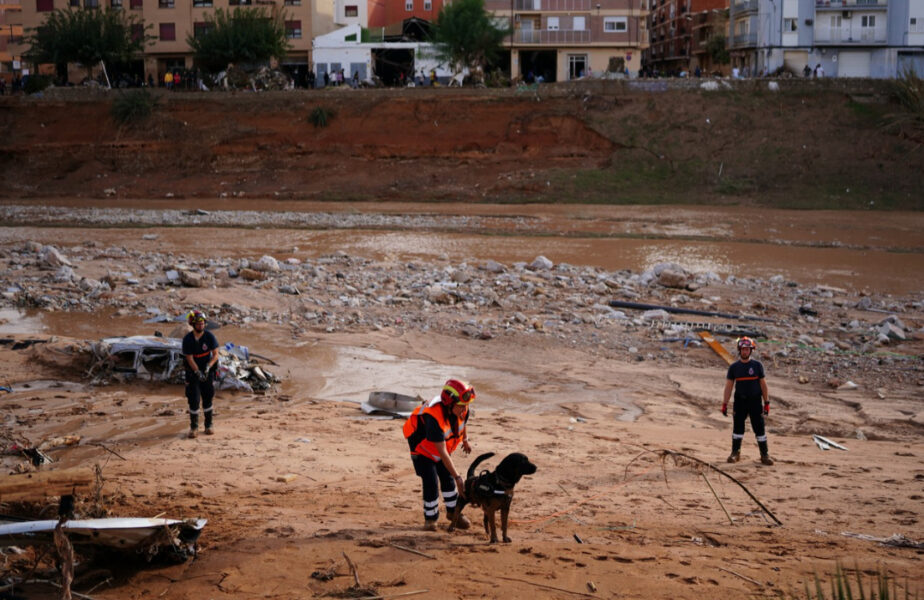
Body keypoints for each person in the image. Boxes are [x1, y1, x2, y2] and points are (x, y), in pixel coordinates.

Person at [403, 379, 475, 531]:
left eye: (465, 406)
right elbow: (442, 453)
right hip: (422, 450)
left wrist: (465, 440)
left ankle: (453, 513)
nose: (464, 410)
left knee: (447, 478)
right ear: (449, 403)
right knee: (431, 482)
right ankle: (430, 520)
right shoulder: (433, 418)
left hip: (441, 448)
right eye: (460, 406)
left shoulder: (462, 407)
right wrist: (459, 478)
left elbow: (463, 423)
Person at [721, 337, 773, 465]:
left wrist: (766, 403)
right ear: (740, 350)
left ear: (751, 351)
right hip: (740, 402)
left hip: (755, 402)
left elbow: (763, 385)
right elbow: (729, 386)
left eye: (747, 349)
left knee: (759, 429)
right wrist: (725, 403)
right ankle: (735, 453)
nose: (745, 352)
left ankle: (764, 455)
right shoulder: (734, 367)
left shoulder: (757, 366)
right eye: (743, 349)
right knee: (738, 429)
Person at [182, 310, 219, 438]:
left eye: (203, 323)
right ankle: (194, 427)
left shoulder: (209, 337)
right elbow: (189, 358)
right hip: (193, 374)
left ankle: (209, 425)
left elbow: (215, 354)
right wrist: (197, 371)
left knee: (208, 398)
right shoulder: (187, 339)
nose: (201, 326)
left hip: (207, 371)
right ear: (193, 324)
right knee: (194, 400)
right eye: (198, 324)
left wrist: (209, 366)